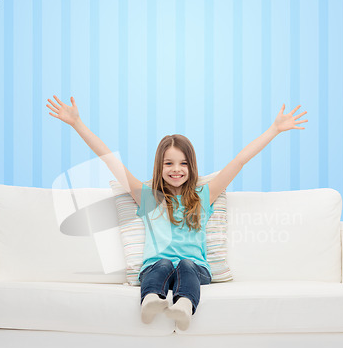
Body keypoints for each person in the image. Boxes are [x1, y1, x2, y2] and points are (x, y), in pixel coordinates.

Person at [46, 95, 308, 330]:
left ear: (191, 166)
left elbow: (239, 161)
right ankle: (150, 300)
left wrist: (274, 129)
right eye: (169, 163)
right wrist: (77, 123)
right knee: (160, 264)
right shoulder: (148, 199)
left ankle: (184, 306)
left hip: (196, 270)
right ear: (159, 166)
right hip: (154, 269)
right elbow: (109, 160)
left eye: (183, 163)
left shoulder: (203, 197)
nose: (176, 169)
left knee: (185, 264)